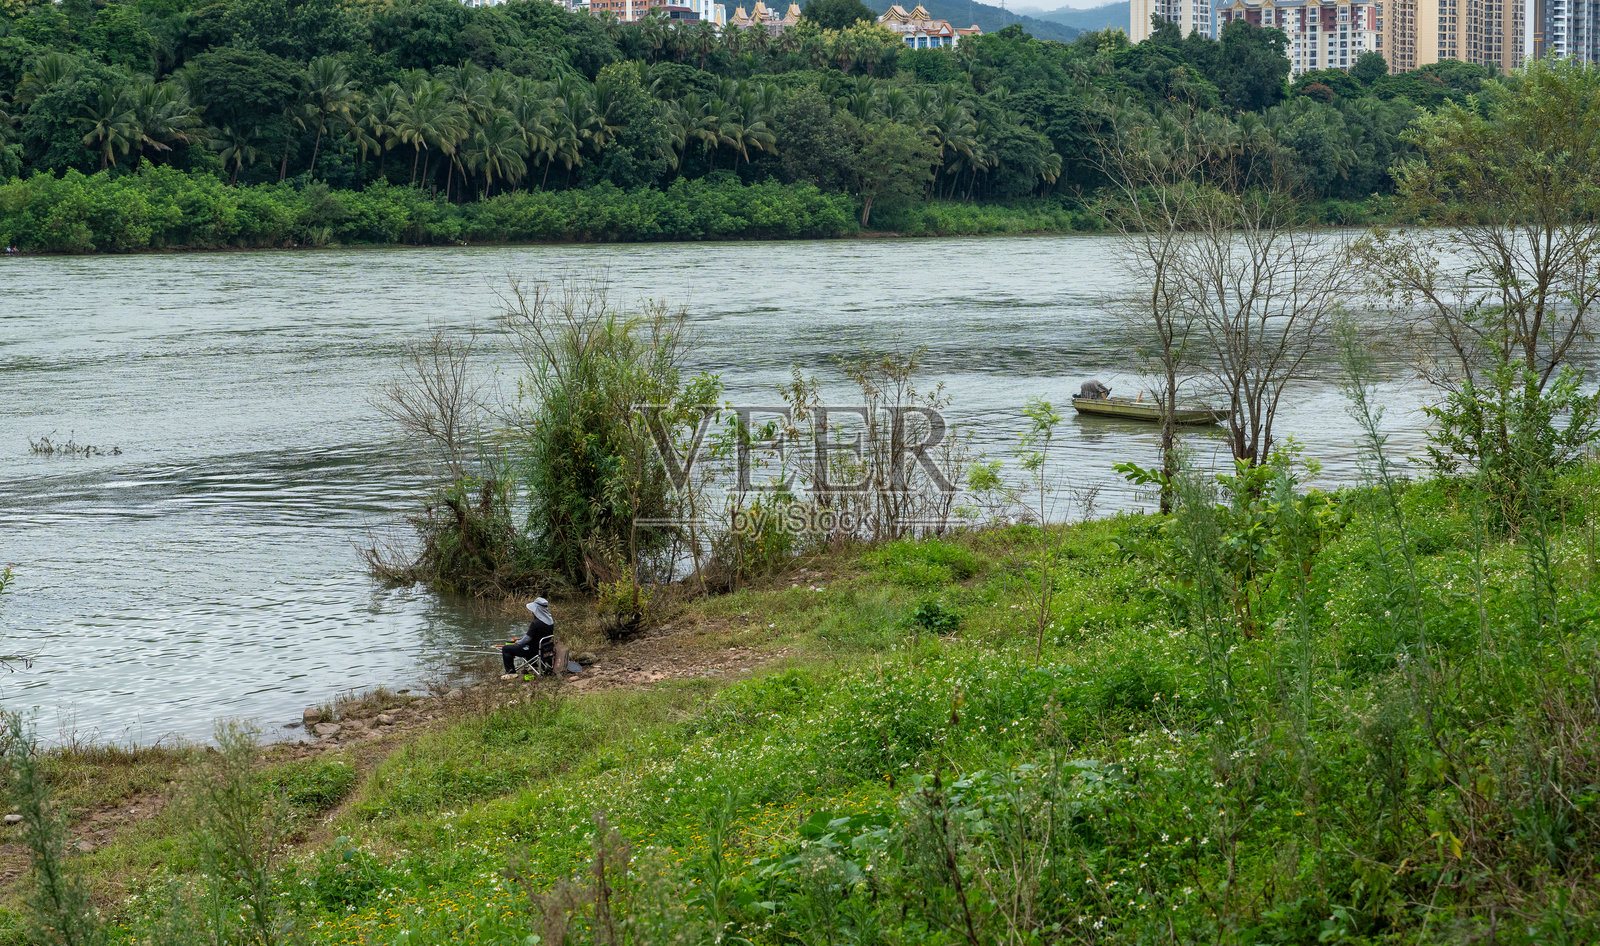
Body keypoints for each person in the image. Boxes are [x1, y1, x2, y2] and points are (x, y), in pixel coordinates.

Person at [501, 597, 554, 677]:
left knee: (506, 649)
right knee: (522, 645)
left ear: (536, 610)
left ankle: (511, 673)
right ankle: (534, 666)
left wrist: (518, 643)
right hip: (544, 648)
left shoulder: (535, 623)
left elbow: (527, 639)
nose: (531, 612)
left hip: (533, 650)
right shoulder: (550, 620)